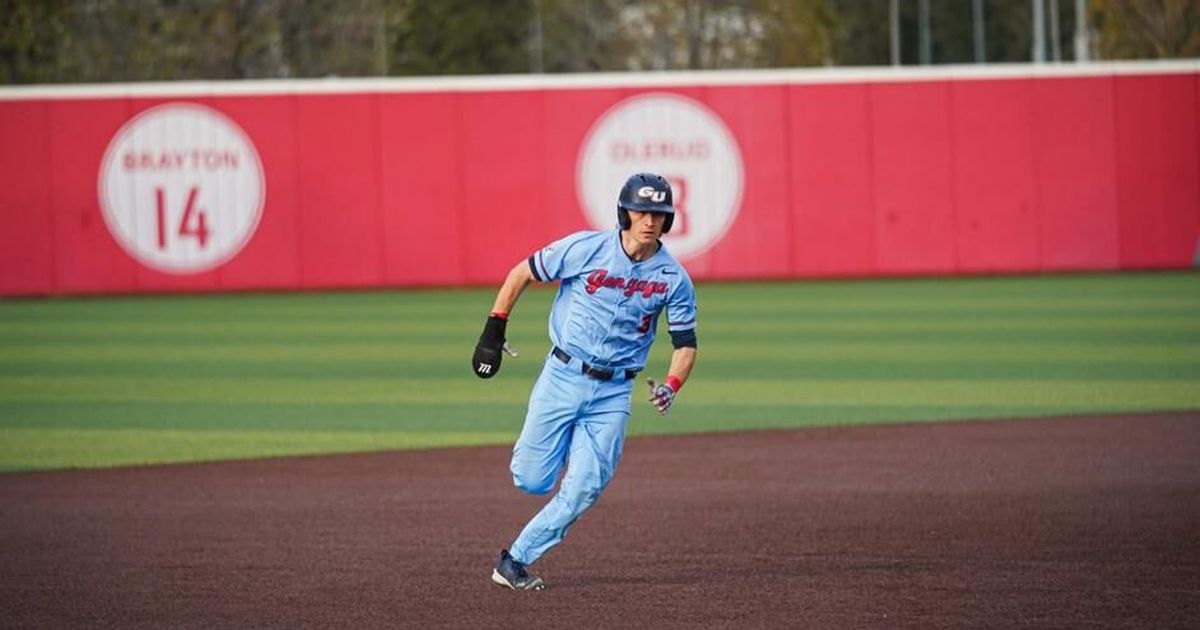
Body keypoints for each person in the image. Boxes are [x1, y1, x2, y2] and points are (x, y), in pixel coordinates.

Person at [472, 172, 699, 591]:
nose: (649, 221)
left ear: (668, 220)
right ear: (625, 212)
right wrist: (494, 330)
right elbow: (522, 272)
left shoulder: (674, 279)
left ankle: (514, 560)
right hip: (563, 375)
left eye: (659, 214)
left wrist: (672, 383)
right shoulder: (585, 248)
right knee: (530, 478)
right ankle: (565, 448)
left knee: (584, 489)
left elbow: (685, 343)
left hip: (614, 391)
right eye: (641, 211)